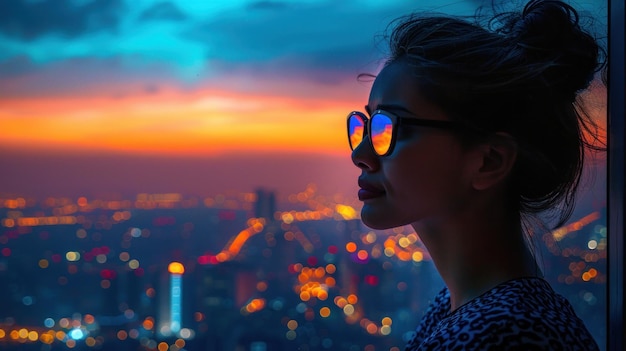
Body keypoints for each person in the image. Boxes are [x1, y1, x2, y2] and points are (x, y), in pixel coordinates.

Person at [346, 0, 605, 349]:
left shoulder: (506, 334)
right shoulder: (469, 310)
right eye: (366, 125)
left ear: (489, 161)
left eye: (389, 127)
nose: (360, 155)